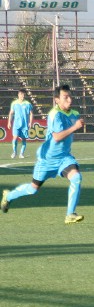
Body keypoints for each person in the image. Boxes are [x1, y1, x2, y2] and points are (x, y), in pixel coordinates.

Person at [1, 84, 86, 224]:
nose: (70, 100)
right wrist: (75, 127)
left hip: (64, 158)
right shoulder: (54, 114)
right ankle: (8, 196)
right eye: (66, 97)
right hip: (47, 159)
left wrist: (75, 126)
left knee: (76, 178)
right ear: (57, 100)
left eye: (70, 96)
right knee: (32, 189)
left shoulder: (75, 114)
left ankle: (70, 214)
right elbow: (57, 137)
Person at [7, 88, 34, 159]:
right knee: (15, 138)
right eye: (21, 94)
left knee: (24, 139)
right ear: (18, 95)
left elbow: (31, 114)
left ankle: (21, 153)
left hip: (24, 125)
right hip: (16, 124)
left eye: (24, 94)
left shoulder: (28, 104)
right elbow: (11, 113)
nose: (23, 96)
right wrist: (9, 122)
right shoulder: (14, 103)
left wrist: (30, 123)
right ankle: (14, 152)